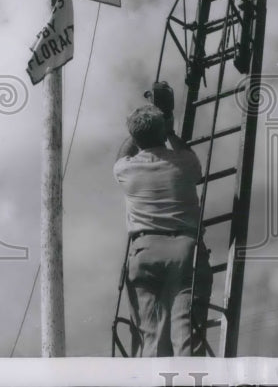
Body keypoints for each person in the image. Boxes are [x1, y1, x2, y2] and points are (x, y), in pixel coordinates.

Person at [113, 86, 211, 356]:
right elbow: (186, 153)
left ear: (134, 136)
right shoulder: (184, 163)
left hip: (143, 253)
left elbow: (122, 153)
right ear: (163, 132)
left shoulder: (125, 170)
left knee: (151, 342)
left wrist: (139, 129)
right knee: (186, 338)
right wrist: (169, 129)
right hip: (184, 251)